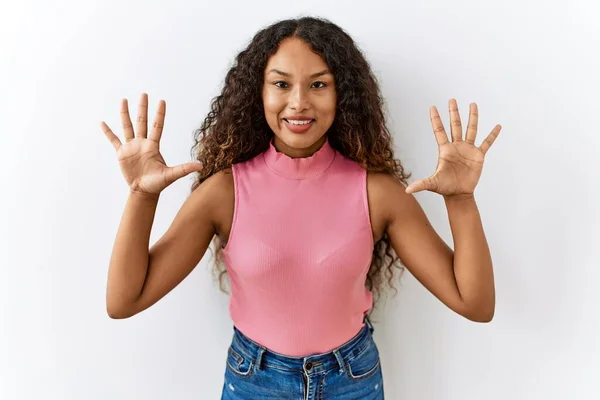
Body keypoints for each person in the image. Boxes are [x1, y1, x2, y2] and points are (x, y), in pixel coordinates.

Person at [100, 16, 500, 400]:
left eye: (318, 84)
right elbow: (124, 300)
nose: (298, 102)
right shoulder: (225, 192)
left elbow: (475, 303)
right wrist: (141, 196)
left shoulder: (377, 191)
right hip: (255, 382)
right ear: (259, 92)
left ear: (341, 93)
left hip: (352, 380)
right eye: (281, 84)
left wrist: (461, 200)